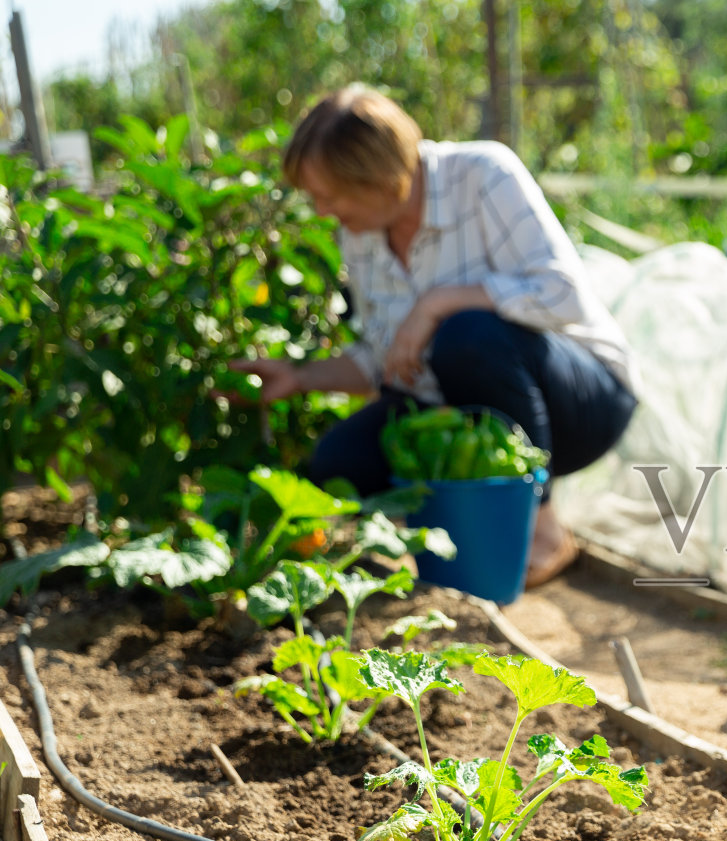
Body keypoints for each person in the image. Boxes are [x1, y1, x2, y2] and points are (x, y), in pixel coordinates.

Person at [230, 86, 637, 587]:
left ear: (380, 179)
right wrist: (298, 377)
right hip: (460, 408)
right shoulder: (360, 234)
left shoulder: (484, 176)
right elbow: (386, 360)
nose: (320, 211)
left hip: (578, 407)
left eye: (328, 195)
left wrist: (436, 303)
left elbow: (563, 295)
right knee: (338, 462)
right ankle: (452, 548)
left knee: (467, 335)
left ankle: (544, 532)